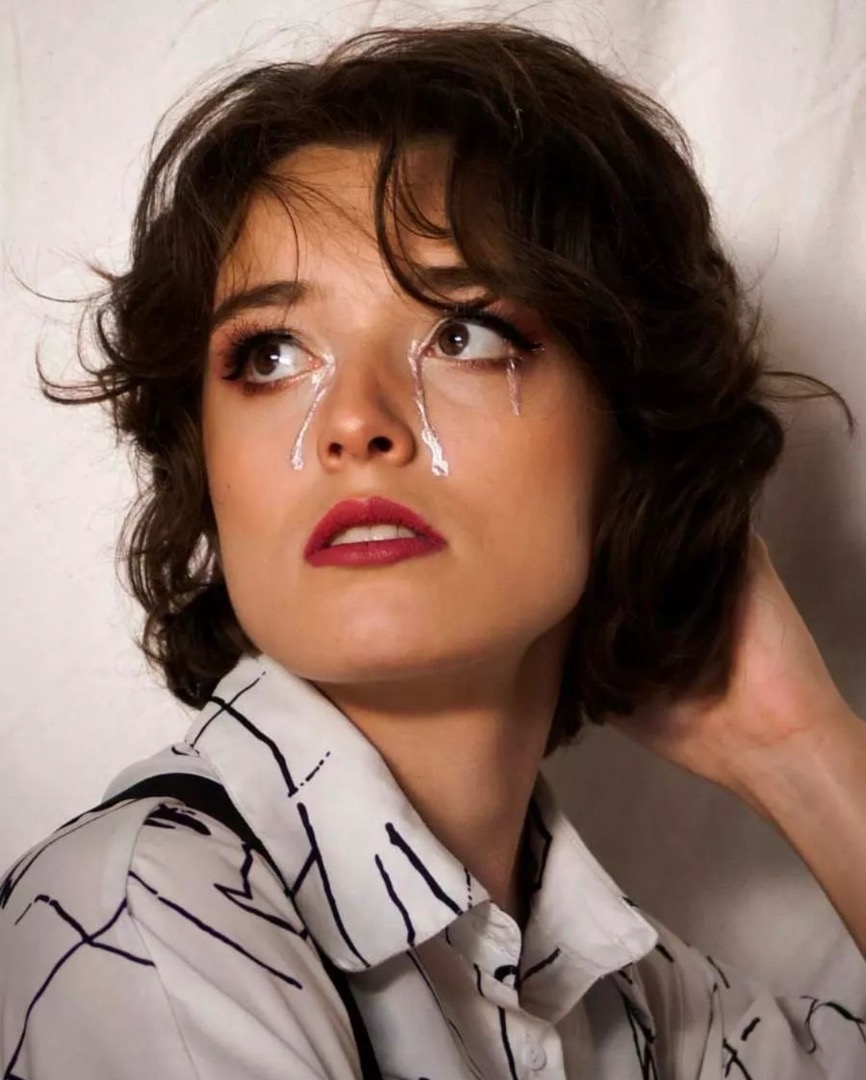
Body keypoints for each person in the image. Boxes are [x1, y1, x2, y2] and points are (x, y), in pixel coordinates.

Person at [2, 21, 864, 1079]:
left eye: (463, 334)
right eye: (270, 354)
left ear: (632, 430)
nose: (351, 423)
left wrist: (799, 747)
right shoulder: (147, 927)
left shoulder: (632, 1000)